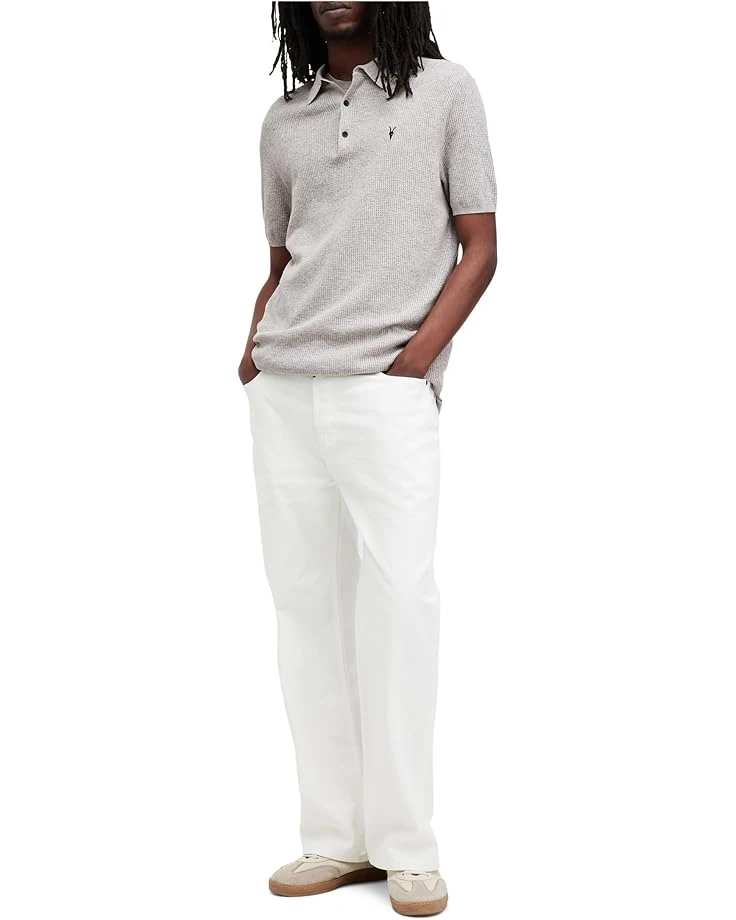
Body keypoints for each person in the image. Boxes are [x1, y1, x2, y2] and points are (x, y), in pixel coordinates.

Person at [238, 2, 497, 915]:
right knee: (305, 611)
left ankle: (408, 848)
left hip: (386, 389)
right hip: (286, 390)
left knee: (400, 605)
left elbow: (480, 248)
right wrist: (254, 352)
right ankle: (335, 839)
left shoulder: (447, 91)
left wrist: (413, 363)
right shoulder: (284, 119)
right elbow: (284, 261)